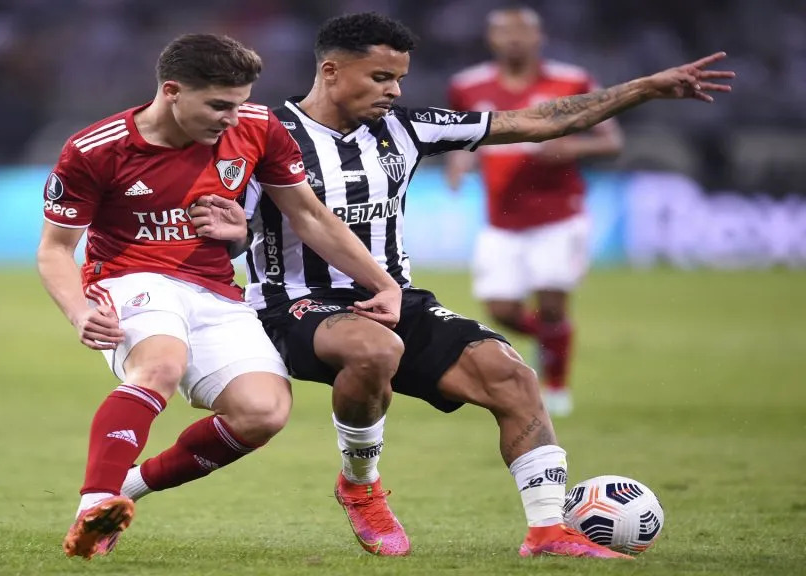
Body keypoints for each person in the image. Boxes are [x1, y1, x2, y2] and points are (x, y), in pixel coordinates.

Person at [127, 12, 732, 559]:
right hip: (293, 306)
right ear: (331, 71)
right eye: (380, 77)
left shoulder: (408, 129)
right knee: (373, 348)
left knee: (511, 376)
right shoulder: (260, 134)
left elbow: (539, 121)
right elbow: (222, 233)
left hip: (396, 299)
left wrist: (643, 88)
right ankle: (361, 487)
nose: (394, 91)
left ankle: (548, 532)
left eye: (399, 78)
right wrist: (233, 236)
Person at [37, 32, 404, 561]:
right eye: (218, 106)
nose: (232, 118)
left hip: (215, 290)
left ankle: (127, 488)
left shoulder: (257, 127)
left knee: (263, 412)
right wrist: (78, 311)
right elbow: (55, 249)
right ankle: (93, 507)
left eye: (239, 103)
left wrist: (384, 284)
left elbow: (309, 216)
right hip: (129, 277)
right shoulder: (96, 149)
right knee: (161, 365)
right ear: (172, 91)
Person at [444, 6, 625, 416]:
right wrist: (460, 162)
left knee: (552, 301)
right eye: (504, 31)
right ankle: (553, 342)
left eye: (522, 31)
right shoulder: (467, 86)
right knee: (501, 310)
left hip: (558, 214)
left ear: (539, 37)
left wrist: (572, 146)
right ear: (491, 39)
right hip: (501, 218)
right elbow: (461, 137)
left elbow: (612, 141)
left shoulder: (571, 81)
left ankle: (556, 387)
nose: (514, 39)